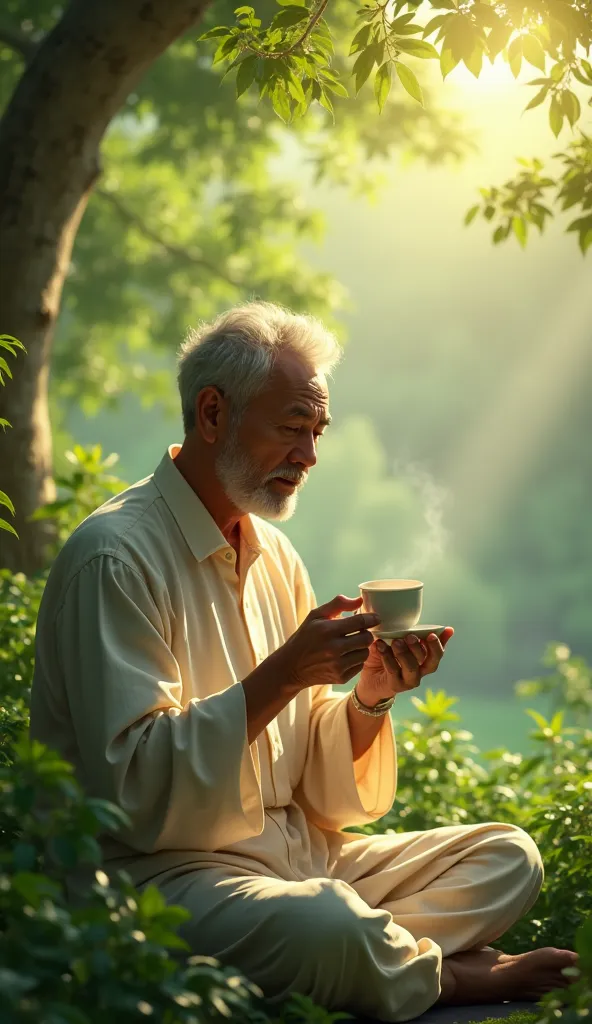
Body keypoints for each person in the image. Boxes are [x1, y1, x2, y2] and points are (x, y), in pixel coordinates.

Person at [30, 301, 577, 1022]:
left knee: (509, 858)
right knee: (324, 925)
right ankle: (447, 978)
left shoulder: (274, 553)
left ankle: (370, 960)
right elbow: (132, 791)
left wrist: (368, 699)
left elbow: (311, 789)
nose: (310, 457)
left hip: (300, 863)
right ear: (213, 412)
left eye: (317, 433)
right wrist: (285, 671)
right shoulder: (115, 558)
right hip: (166, 878)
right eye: (293, 429)